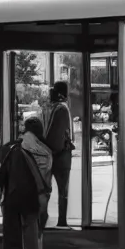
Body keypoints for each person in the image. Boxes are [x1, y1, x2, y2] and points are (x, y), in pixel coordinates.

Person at [0, 120, 51, 249]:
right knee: (33, 222)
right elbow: (46, 175)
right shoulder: (46, 151)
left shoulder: (10, 148)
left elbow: (1, 174)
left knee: (12, 222)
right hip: (38, 192)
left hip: (13, 192)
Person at [43, 81, 74, 228]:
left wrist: (48, 150)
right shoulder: (60, 108)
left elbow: (55, 135)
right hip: (61, 153)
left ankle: (58, 220)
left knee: (53, 188)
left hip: (58, 154)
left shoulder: (59, 109)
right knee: (60, 189)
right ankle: (57, 219)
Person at [21, 117, 53, 231]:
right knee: (39, 228)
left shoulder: (21, 147)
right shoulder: (47, 150)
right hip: (42, 192)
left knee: (28, 230)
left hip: (26, 193)